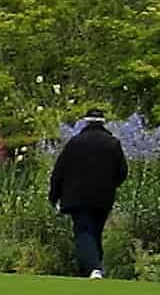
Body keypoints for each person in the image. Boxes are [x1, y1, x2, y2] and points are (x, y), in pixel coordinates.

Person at [49, 110, 127, 278]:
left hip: (76, 197)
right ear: (103, 123)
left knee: (84, 232)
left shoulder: (75, 143)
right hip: (103, 197)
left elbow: (59, 172)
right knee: (96, 232)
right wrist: (110, 185)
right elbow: (122, 172)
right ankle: (93, 269)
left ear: (85, 122)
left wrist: (54, 196)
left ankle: (93, 269)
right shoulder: (113, 144)